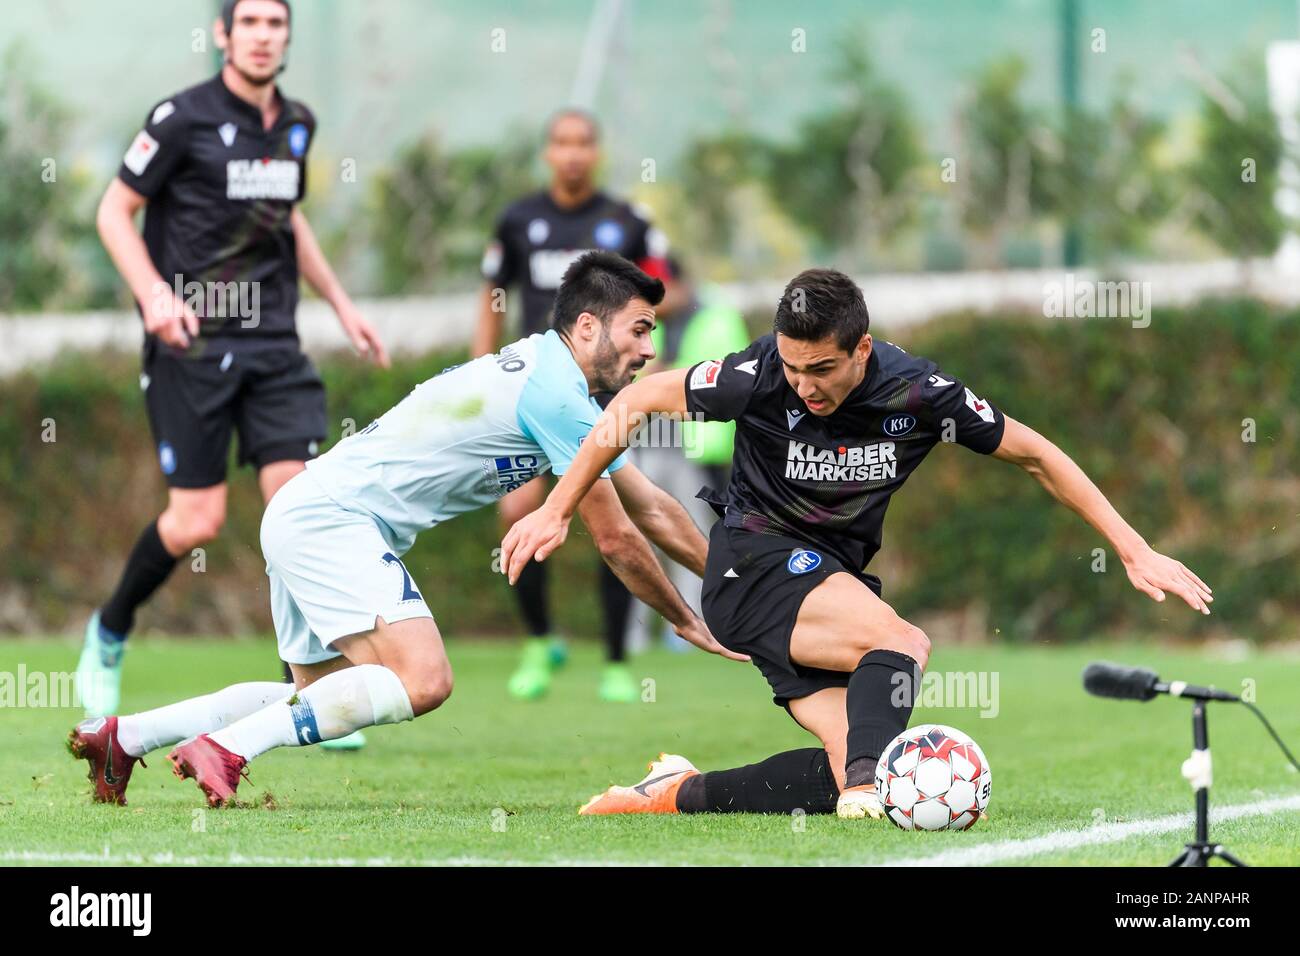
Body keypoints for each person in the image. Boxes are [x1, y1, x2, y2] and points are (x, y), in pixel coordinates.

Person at [501, 268, 1213, 820]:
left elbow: (1036, 455)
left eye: (822, 369)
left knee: (843, 763)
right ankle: (871, 784)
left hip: (822, 579)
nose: (803, 386)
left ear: (862, 349)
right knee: (900, 645)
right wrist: (559, 509)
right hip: (752, 564)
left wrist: (1132, 548)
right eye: (794, 367)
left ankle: (675, 792)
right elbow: (630, 404)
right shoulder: (755, 375)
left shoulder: (918, 393)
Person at [67, 252, 743, 808]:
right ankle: (229, 750)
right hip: (337, 520)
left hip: (309, 508)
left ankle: (124, 737)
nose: (650, 351)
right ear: (590, 328)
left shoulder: (553, 378)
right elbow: (619, 538)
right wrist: (689, 622)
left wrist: (727, 580)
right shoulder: (558, 396)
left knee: (314, 695)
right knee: (425, 679)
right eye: (640, 330)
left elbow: (651, 505)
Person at [77, 0, 387, 756]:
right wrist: (154, 294)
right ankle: (109, 632)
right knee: (197, 522)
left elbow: (290, 220)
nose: (262, 35)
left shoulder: (297, 123)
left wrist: (342, 304)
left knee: (299, 511)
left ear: (286, 37)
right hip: (193, 346)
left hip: (275, 347)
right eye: (248, 22)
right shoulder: (181, 117)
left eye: (275, 24)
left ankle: (315, 691)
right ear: (223, 35)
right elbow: (115, 212)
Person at [474, 108, 678, 702]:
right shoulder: (518, 219)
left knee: (607, 520)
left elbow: (661, 292)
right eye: (561, 143)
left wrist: (650, 364)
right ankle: (540, 639)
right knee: (517, 512)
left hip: (604, 391)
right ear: (547, 152)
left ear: (597, 151)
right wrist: (478, 366)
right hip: (529, 391)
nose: (572, 153)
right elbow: (491, 298)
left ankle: (616, 660)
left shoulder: (627, 222)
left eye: (583, 143)